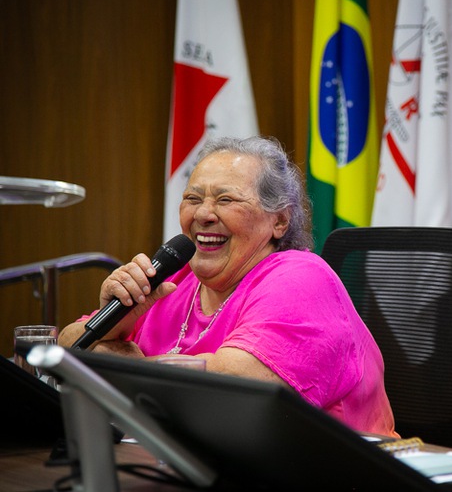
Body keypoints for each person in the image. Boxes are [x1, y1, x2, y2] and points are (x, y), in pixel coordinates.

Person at [59, 135, 397, 438]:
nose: (203, 213)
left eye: (226, 200)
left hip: (335, 473)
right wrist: (114, 322)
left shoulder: (301, 278)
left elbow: (234, 393)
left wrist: (116, 362)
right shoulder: (173, 278)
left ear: (279, 220)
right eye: (193, 198)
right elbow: (67, 344)